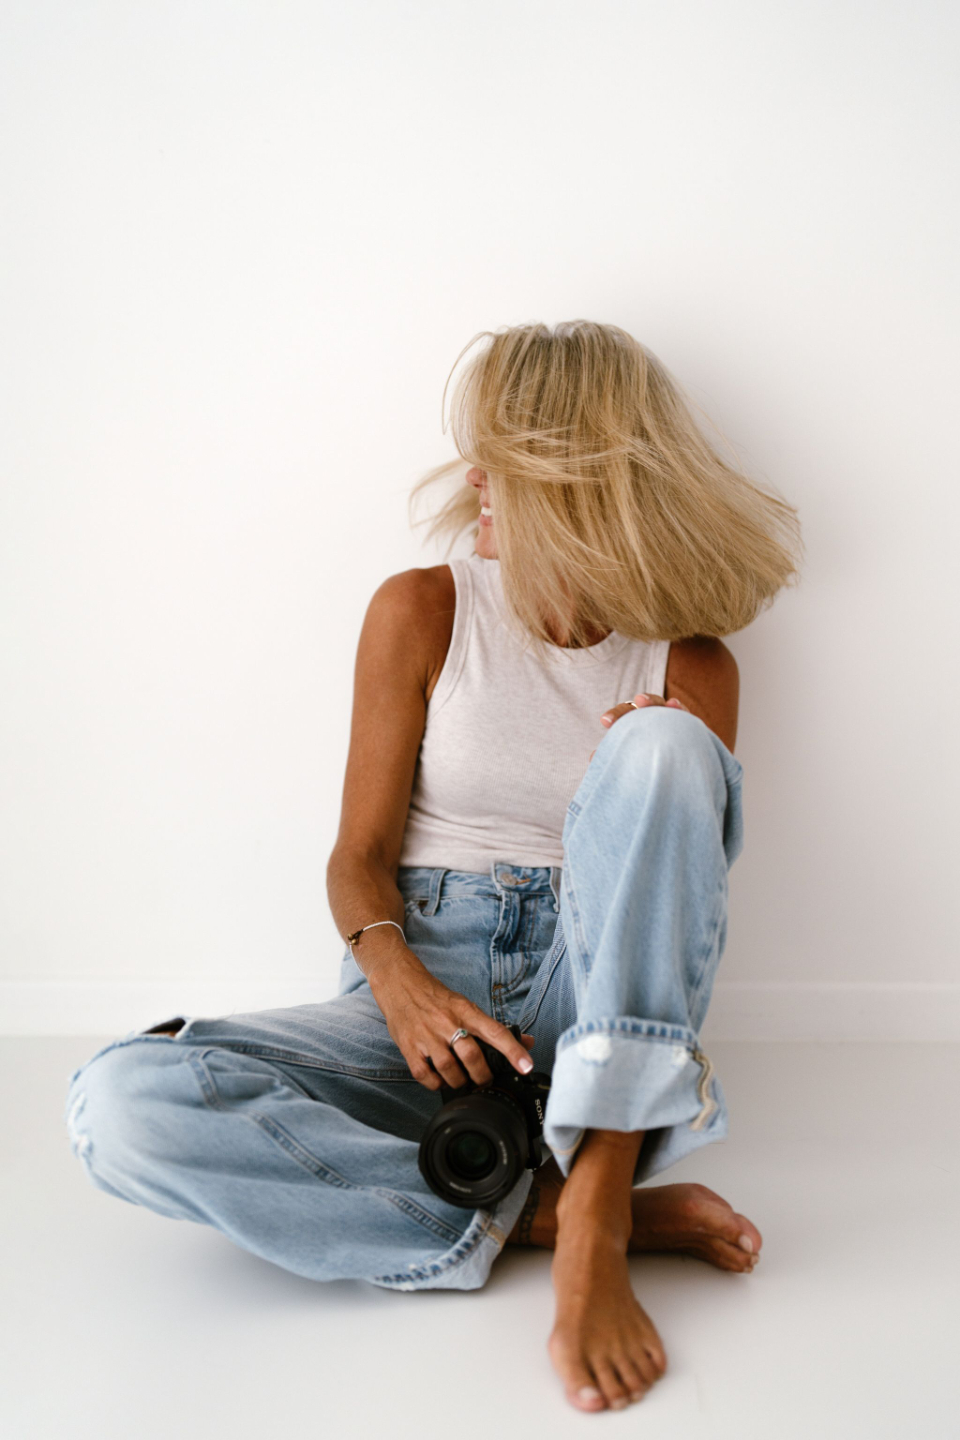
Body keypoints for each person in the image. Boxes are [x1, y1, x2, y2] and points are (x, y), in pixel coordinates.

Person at [64, 320, 803, 1414]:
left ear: (581, 481)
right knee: (119, 1103)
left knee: (665, 748)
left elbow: (669, 916)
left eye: (502, 461)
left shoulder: (690, 661)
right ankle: (534, 1213)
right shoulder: (422, 609)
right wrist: (401, 986)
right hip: (420, 1005)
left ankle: (596, 1205)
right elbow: (357, 857)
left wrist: (657, 760)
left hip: (592, 1004)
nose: (473, 482)